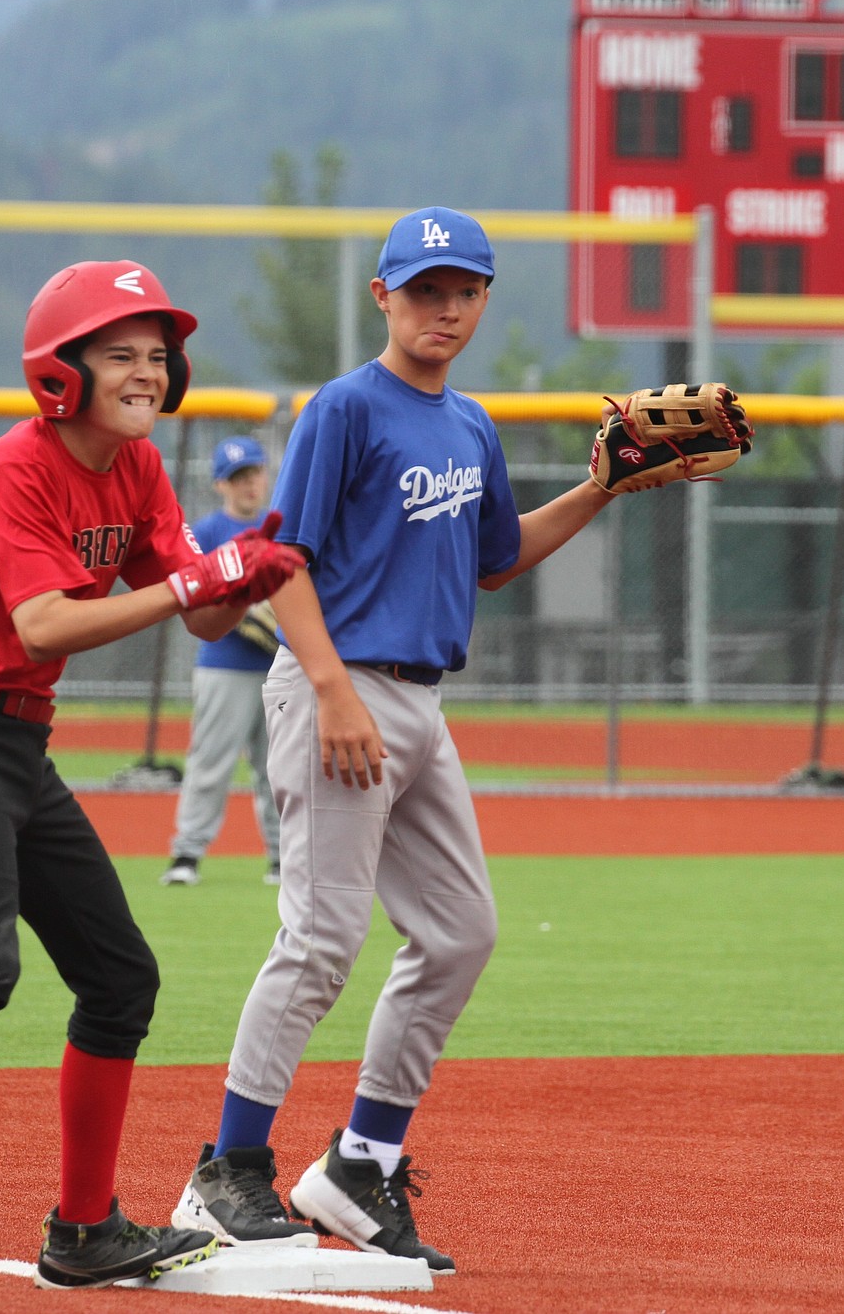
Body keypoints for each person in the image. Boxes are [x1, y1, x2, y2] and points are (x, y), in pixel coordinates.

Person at [0, 259, 303, 1308]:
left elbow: (204, 612)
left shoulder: (138, 469)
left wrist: (248, 565)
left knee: (121, 981)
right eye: (119, 355)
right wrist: (188, 584)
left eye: (158, 357)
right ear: (58, 376)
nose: (146, 373)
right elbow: (46, 625)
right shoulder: (14, 471)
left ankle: (84, 1234)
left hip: (20, 743)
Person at [171, 207, 628, 1272]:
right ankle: (225, 1173)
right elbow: (282, 562)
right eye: (427, 289)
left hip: (422, 703)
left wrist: (607, 485)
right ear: (385, 296)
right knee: (323, 939)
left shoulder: (469, 424)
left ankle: (359, 1167)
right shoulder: (346, 409)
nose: (447, 308)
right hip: (343, 687)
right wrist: (330, 690)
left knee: (461, 932)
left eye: (465, 290)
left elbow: (499, 559)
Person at [160, 435, 282, 888]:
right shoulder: (209, 531)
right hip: (223, 665)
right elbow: (195, 589)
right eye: (237, 478)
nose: (248, 484)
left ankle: (283, 859)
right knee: (210, 762)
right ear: (219, 485)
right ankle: (187, 854)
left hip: (276, 669)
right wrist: (247, 610)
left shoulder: (280, 527)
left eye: (253, 474)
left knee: (279, 769)